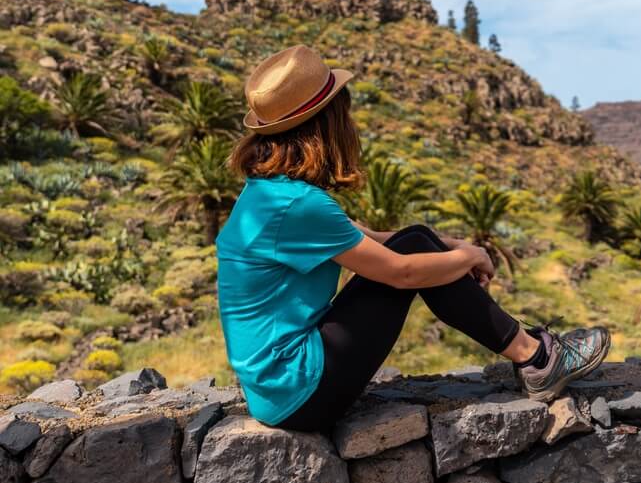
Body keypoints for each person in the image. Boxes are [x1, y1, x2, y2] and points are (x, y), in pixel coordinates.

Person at [215, 44, 611, 431]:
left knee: (415, 236)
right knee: (412, 249)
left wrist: (456, 248)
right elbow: (400, 272)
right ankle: (537, 358)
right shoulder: (297, 205)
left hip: (279, 390)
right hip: (301, 395)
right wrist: (470, 256)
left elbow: (373, 237)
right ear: (326, 125)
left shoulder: (270, 194)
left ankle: (533, 354)